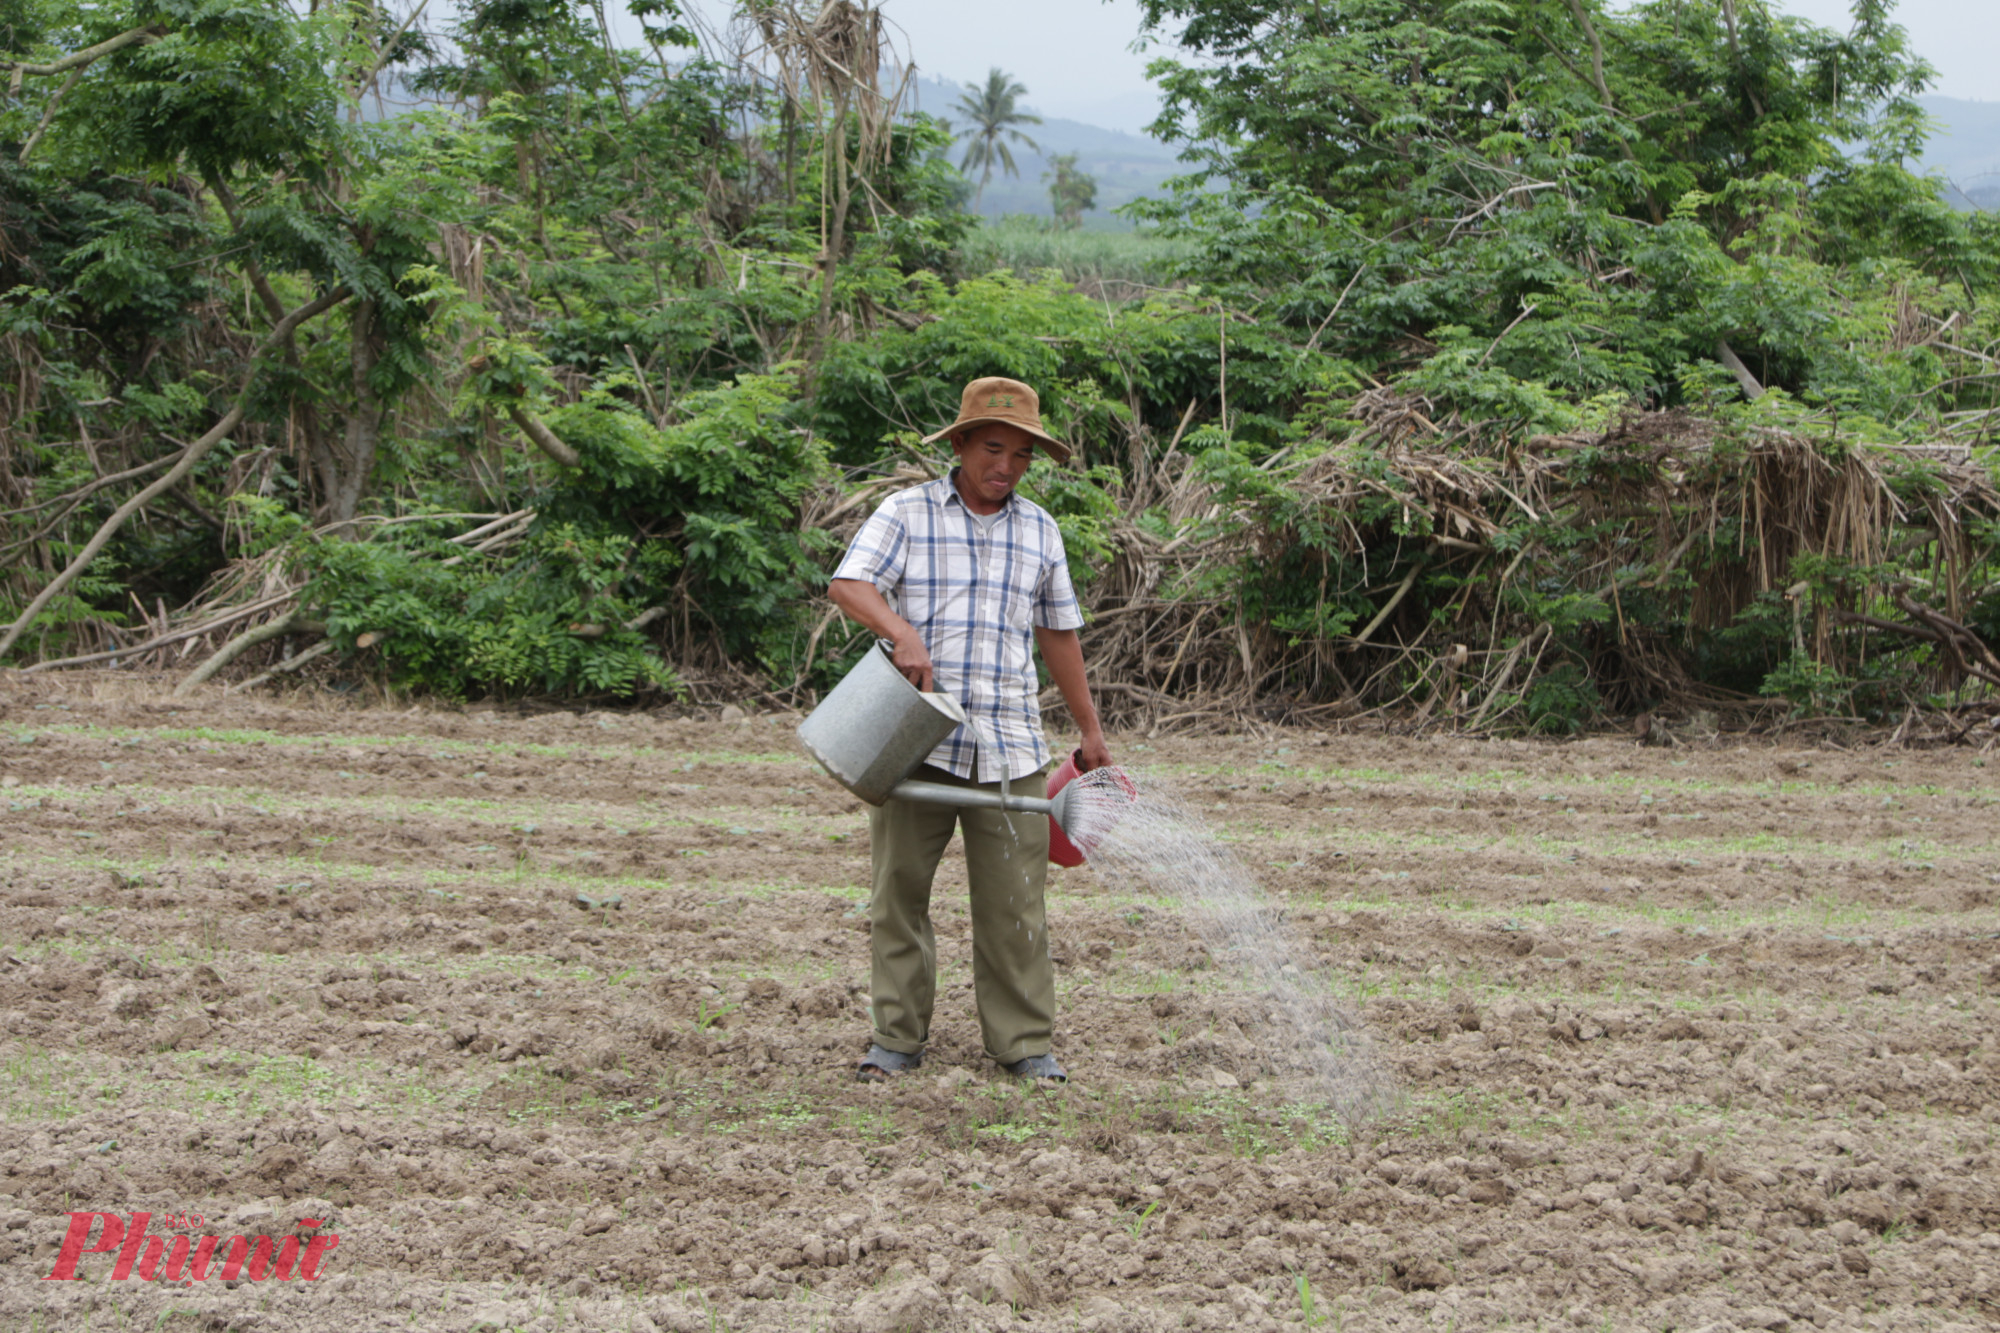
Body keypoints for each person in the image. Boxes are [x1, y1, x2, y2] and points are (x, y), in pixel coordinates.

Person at [827, 376, 1111, 1084]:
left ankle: (1023, 1044)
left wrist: (1090, 730)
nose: (1006, 467)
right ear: (958, 444)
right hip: (913, 741)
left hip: (1010, 743)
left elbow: (1058, 632)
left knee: (1016, 903)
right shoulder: (908, 513)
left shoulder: (1040, 529)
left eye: (1021, 455)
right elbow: (849, 583)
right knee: (899, 894)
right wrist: (900, 631)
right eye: (993, 448)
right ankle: (896, 1037)